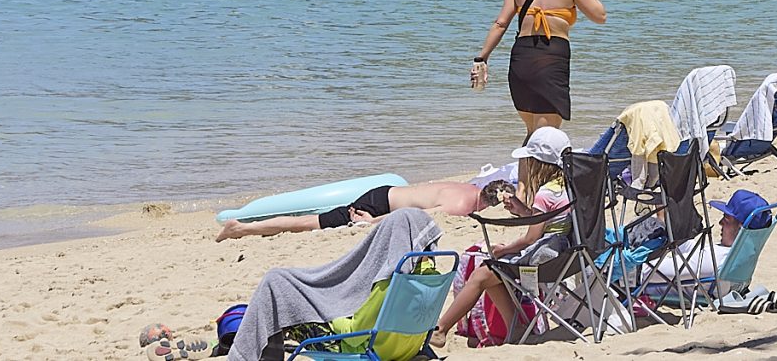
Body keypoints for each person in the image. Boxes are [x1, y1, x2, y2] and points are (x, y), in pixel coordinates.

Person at [431, 128, 575, 347]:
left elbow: (531, 238)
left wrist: (504, 250)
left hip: (545, 261)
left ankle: (440, 330)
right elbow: (549, 219)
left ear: (538, 162)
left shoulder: (545, 193)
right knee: (491, 272)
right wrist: (522, 210)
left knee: (482, 274)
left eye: (529, 159)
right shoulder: (568, 185)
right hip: (566, 254)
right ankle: (515, 329)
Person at [469, 0, 607, 134]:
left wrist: (482, 58)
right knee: (545, 137)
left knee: (533, 133)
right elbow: (600, 16)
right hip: (550, 57)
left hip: (521, 59)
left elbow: (500, 24)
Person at [215, 178, 516, 241]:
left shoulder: (468, 187)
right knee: (307, 223)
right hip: (377, 205)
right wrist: (371, 222)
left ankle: (243, 227)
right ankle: (241, 228)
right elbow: (413, 216)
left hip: (385, 192)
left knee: (311, 221)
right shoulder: (462, 206)